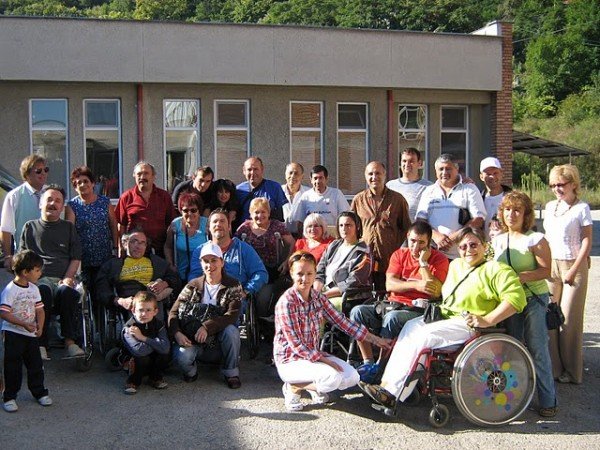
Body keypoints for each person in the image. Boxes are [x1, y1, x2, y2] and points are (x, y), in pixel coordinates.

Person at [359, 227, 526, 410]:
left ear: (484, 246)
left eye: (473, 245)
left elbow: (516, 299)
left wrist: (488, 319)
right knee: (409, 329)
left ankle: (392, 393)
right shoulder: (456, 265)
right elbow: (437, 290)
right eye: (463, 247)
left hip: (468, 323)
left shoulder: (497, 269)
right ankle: (391, 388)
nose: (468, 250)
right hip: (444, 317)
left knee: (423, 336)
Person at [274, 251, 392, 412]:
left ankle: (313, 383)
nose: (305, 278)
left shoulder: (318, 298)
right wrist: (325, 360)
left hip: (314, 356)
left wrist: (376, 339)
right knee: (333, 378)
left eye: (309, 273)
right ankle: (293, 387)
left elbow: (342, 322)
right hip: (290, 359)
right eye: (300, 274)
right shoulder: (286, 302)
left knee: (352, 377)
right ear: (292, 273)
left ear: (315, 273)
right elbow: (296, 344)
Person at [350, 220, 449, 372]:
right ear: (407, 236)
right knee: (357, 312)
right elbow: (390, 285)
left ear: (429, 242)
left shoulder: (439, 259)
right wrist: (416, 285)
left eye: (421, 243)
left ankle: (381, 367)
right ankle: (368, 362)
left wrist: (423, 263)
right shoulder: (399, 254)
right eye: (413, 241)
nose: (415, 247)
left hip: (418, 309)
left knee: (392, 318)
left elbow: (435, 291)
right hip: (392, 303)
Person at [492, 191, 557, 417]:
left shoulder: (535, 239)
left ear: (526, 214)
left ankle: (548, 400)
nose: (511, 214)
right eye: (508, 209)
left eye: (517, 210)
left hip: (533, 299)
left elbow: (546, 271)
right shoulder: (497, 240)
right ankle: (513, 399)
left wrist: (519, 277)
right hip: (510, 301)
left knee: (538, 348)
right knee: (511, 348)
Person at [19, 185, 84, 360]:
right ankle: (41, 344)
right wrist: (31, 279)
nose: (53, 204)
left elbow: (76, 257)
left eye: (57, 201)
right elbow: (23, 260)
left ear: (62, 207)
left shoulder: (68, 228)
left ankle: (70, 343)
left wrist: (68, 278)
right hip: (38, 281)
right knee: (43, 292)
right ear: (40, 204)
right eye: (49, 199)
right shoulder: (30, 227)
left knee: (67, 292)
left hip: (63, 279)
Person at [169, 242, 243, 389]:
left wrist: (206, 327)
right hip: (194, 339)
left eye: (214, 260)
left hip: (219, 340)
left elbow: (232, 315)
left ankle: (231, 373)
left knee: (231, 331)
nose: (210, 265)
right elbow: (174, 312)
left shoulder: (233, 285)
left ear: (222, 262)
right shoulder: (192, 285)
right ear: (201, 263)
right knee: (182, 356)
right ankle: (191, 371)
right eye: (206, 261)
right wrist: (177, 333)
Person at [544, 164, 592, 385]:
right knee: (551, 318)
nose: (557, 189)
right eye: (553, 185)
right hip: (551, 266)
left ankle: (573, 371)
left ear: (573, 184)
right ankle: (554, 368)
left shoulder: (581, 208)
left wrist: (574, 270)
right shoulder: (550, 207)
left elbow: (587, 240)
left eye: (561, 184)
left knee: (569, 321)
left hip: (573, 266)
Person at [1, 250, 52, 412]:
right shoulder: (10, 290)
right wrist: (23, 324)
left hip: (30, 334)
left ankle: (39, 392)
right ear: (25, 272)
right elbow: (4, 313)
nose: (40, 273)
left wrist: (40, 327)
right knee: (12, 366)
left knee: (36, 364)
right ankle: (9, 396)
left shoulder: (34, 289)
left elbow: (40, 310)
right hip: (13, 333)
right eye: (37, 270)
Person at [351, 161, 411, 289]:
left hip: (389, 259)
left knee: (387, 294)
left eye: (378, 173)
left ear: (384, 175)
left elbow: (406, 228)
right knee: (364, 294)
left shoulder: (397, 200)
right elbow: (351, 227)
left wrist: (395, 246)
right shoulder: (358, 200)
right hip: (364, 260)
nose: (374, 177)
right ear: (365, 176)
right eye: (370, 174)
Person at [96, 229, 181, 318]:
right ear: (125, 244)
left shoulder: (157, 262)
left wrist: (164, 283)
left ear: (146, 246)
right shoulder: (112, 265)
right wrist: (119, 301)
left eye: (142, 243)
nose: (138, 246)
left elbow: (175, 278)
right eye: (134, 242)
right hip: (129, 299)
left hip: (152, 298)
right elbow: (101, 289)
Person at [415, 153, 486, 260]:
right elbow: (420, 220)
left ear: (457, 169)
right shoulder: (428, 191)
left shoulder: (469, 189)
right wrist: (436, 236)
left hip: (463, 255)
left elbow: (478, 219)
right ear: (435, 171)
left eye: (448, 169)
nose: (444, 172)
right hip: (433, 254)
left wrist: (455, 237)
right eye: (441, 169)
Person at [235, 197, 295, 318]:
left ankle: (263, 322)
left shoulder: (277, 226)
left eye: (263, 212)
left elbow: (292, 243)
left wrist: (287, 261)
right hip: (250, 271)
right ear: (251, 213)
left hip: (271, 271)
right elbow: (234, 245)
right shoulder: (244, 228)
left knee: (263, 299)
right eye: (256, 212)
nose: (260, 215)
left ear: (269, 212)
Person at [188, 209, 268, 300]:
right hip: (207, 299)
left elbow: (261, 273)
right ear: (209, 228)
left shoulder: (244, 249)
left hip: (236, 300)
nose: (218, 224)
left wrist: (246, 291)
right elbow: (194, 276)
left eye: (222, 221)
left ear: (229, 226)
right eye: (215, 221)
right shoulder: (200, 251)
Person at [65, 166, 119, 290]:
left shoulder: (105, 202)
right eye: (79, 183)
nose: (83, 185)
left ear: (93, 183)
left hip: (104, 255)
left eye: (86, 181)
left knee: (104, 289)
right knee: (87, 290)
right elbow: (70, 232)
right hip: (83, 258)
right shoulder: (72, 206)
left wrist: (116, 247)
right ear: (75, 187)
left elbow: (113, 225)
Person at [115, 161, 176, 257]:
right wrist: (121, 248)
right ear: (134, 176)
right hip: (134, 251)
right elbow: (121, 225)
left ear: (153, 176)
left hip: (159, 251)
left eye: (146, 173)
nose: (142, 177)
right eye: (139, 174)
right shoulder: (126, 197)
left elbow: (171, 224)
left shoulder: (164, 196)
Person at [314, 211, 371, 311]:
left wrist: (324, 296)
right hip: (323, 292)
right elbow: (320, 272)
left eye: (348, 225)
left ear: (357, 227)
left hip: (348, 297)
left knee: (317, 307)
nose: (344, 229)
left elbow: (353, 282)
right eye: (341, 225)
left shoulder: (363, 252)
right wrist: (316, 293)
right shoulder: (333, 245)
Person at [1, 155, 49, 269]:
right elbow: (6, 229)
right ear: (27, 175)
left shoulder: (51, 193)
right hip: (26, 259)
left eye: (45, 170)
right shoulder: (14, 196)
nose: (43, 173)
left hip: (50, 257)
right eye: (38, 171)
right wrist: (8, 257)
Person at [122, 291, 170, 395]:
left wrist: (142, 338)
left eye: (148, 310)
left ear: (155, 311)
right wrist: (157, 344)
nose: (144, 314)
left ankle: (154, 378)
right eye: (140, 310)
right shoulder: (130, 327)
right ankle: (132, 381)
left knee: (164, 355)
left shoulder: (159, 325)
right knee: (142, 357)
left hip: (152, 357)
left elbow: (166, 348)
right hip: (137, 359)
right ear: (133, 310)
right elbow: (140, 350)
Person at [164, 192, 208, 283]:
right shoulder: (175, 225)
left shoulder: (207, 224)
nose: (189, 213)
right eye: (185, 210)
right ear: (181, 211)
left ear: (199, 210)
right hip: (181, 274)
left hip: (203, 275)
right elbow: (168, 247)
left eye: (193, 210)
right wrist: (170, 265)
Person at [290, 165, 350, 231]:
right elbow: (300, 222)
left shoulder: (336, 194)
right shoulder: (305, 197)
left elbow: (345, 217)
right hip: (313, 234)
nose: (318, 181)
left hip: (332, 234)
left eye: (321, 178)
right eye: (315, 178)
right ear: (311, 180)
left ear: (326, 179)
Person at [386, 148, 432, 221]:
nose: (407, 164)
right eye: (404, 161)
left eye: (411, 161)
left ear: (420, 163)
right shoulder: (390, 186)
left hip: (417, 227)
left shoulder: (429, 187)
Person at [236, 157, 287, 223]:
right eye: (249, 169)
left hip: (269, 228)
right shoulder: (238, 190)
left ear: (262, 169)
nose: (252, 173)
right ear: (244, 171)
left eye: (256, 169)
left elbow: (280, 216)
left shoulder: (274, 187)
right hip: (244, 228)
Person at [479, 157, 511, 238]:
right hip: (484, 245)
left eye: (495, 173)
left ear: (501, 174)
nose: (492, 177)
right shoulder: (477, 199)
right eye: (488, 174)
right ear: (481, 177)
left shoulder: (512, 198)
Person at [281, 162, 309, 234]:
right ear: (285, 175)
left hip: (303, 234)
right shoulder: (278, 191)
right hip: (280, 234)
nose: (293, 176)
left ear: (302, 176)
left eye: (296, 173)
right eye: (290, 173)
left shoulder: (308, 194)